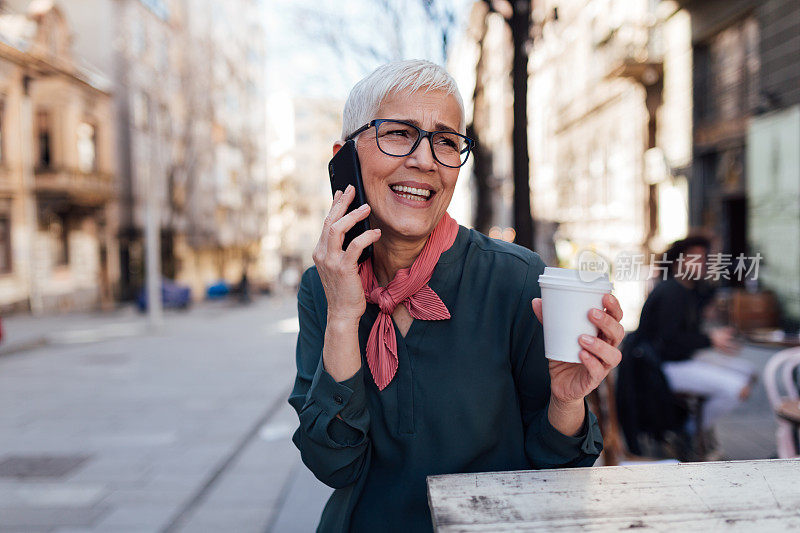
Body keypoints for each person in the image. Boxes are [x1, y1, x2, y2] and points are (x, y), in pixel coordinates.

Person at [288, 60, 625, 532]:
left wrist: (568, 402)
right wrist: (344, 315)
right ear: (344, 157)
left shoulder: (518, 279)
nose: (425, 160)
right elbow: (333, 464)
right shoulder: (321, 285)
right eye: (399, 133)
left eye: (446, 141)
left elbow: (561, 473)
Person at [636, 234, 756, 457]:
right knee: (738, 387)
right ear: (677, 261)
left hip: (683, 359)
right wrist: (711, 339)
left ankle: (697, 426)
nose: (701, 263)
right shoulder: (670, 292)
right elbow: (668, 343)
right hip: (661, 368)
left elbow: (710, 299)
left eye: (704, 258)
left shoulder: (689, 289)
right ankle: (687, 432)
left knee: (748, 371)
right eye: (694, 258)